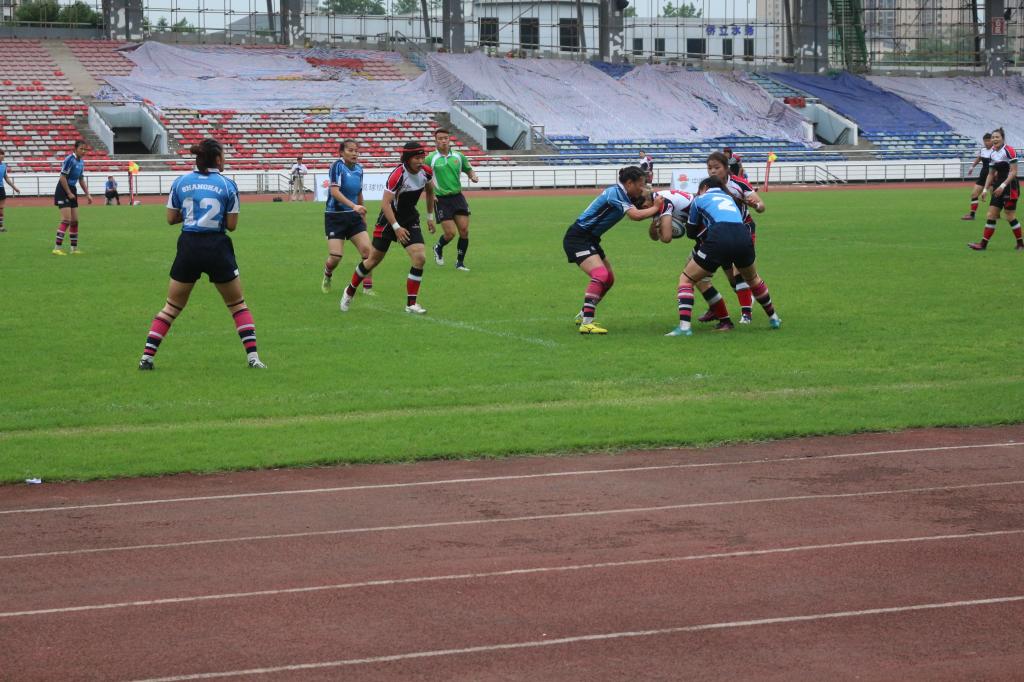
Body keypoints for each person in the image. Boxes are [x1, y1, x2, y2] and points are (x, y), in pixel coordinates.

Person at [138, 138, 266, 370]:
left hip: (189, 246)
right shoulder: (227, 185)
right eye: (223, 156)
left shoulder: (181, 182)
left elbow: (170, 219)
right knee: (237, 305)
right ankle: (253, 358)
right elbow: (232, 225)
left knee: (172, 306)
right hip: (217, 247)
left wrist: (191, 214)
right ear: (217, 159)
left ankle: (146, 358)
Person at [665, 176, 780, 337]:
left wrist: (680, 227)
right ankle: (774, 318)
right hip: (743, 235)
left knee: (686, 279)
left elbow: (691, 232)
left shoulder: (699, 199)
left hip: (719, 237)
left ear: (704, 188)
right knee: (753, 279)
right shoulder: (729, 198)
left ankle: (684, 328)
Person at [563, 166, 664, 335]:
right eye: (640, 184)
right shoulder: (615, 193)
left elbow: (642, 205)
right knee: (600, 274)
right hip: (578, 238)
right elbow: (635, 216)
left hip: (590, 239)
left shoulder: (626, 195)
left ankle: (583, 315)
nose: (642, 188)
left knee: (608, 279)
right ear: (629, 183)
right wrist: (656, 208)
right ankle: (587, 323)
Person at [340, 141, 436, 314]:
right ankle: (350, 290)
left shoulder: (426, 172)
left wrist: (430, 217)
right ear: (408, 158)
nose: (421, 161)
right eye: (417, 158)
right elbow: (385, 204)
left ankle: (411, 304)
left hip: (410, 218)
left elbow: (430, 191)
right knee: (373, 260)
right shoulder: (397, 175)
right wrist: (396, 227)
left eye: (422, 157)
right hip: (388, 220)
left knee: (420, 257)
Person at [648, 187, 734, 329]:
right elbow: (655, 236)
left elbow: (666, 238)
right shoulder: (657, 201)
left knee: (690, 278)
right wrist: (654, 225)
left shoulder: (662, 202)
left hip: (710, 237)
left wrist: (664, 227)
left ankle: (687, 327)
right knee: (699, 278)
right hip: (710, 236)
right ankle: (722, 314)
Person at [697, 151, 765, 324]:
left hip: (743, 229)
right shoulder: (706, 187)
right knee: (731, 277)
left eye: (717, 167)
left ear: (726, 168)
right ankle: (751, 294)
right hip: (721, 233)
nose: (713, 171)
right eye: (710, 168)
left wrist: (755, 205)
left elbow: (761, 206)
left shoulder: (738, 184)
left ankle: (746, 314)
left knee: (738, 270)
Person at [321, 139, 374, 295]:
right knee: (335, 257)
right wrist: (353, 206)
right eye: (350, 150)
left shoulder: (359, 169)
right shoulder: (337, 166)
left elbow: (359, 193)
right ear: (341, 153)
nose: (354, 153)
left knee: (368, 252)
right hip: (335, 217)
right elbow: (334, 192)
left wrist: (362, 213)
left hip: (353, 216)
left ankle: (367, 288)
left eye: (356, 150)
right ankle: (327, 274)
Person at [426, 128, 479, 271]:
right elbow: (425, 178)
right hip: (441, 200)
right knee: (450, 233)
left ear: (449, 139)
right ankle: (438, 247)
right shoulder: (430, 159)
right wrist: (432, 193)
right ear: (436, 141)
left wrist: (473, 176)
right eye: (440, 138)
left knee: (464, 231)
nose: (443, 141)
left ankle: (460, 263)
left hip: (457, 197)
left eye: (446, 138)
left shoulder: (458, 156)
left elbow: (468, 169)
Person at [970, 127, 1022, 251]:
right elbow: (991, 173)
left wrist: (1003, 186)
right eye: (993, 137)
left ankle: (1020, 244)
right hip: (998, 186)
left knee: (1009, 215)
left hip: (1010, 186)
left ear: (1002, 138)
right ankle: (983, 244)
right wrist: (985, 189)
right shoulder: (992, 153)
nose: (994, 139)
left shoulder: (1009, 150)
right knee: (991, 214)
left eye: (997, 137)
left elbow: (1014, 172)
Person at [52, 140, 92, 255]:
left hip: (72, 189)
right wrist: (69, 193)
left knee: (75, 221)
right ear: (75, 149)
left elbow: (81, 179)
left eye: (85, 149)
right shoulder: (70, 159)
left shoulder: (81, 162)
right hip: (63, 189)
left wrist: (87, 194)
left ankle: (73, 249)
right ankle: (57, 248)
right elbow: (62, 177)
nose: (83, 151)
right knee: (66, 220)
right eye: (81, 149)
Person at [962, 133, 993, 221]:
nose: (986, 143)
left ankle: (996, 213)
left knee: (994, 197)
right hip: (983, 176)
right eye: (985, 141)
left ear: (992, 141)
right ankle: (972, 215)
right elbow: (979, 158)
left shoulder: (995, 151)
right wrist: (972, 167)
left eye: (988, 141)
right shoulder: (983, 150)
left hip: (993, 177)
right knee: (974, 194)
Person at [0, 149, 21, 233]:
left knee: (1, 208)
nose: (2, 156)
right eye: (1, 154)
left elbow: (6, 177)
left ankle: (1, 226)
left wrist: (14, 187)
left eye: (3, 154)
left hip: (1, 188)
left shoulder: (4, 166)